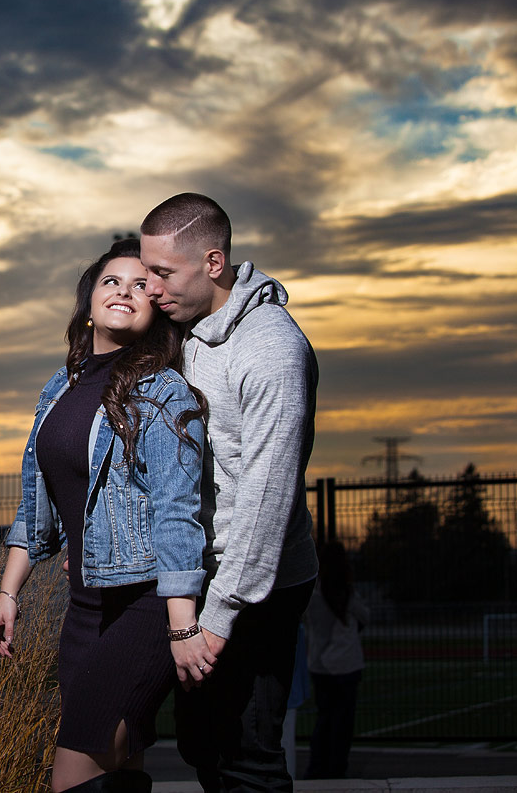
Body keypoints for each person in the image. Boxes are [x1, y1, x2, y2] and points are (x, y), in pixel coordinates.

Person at [0, 239, 214, 793]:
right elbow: (37, 500)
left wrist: (181, 624)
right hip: (84, 607)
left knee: (77, 765)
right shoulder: (59, 388)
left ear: (154, 312)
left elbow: (176, 513)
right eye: (113, 280)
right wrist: (9, 591)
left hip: (144, 603)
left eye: (142, 286)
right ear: (89, 301)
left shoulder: (165, 394)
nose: (126, 292)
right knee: (120, 761)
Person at [139, 193, 319, 793]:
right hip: (204, 572)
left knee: (248, 765)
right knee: (200, 745)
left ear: (213, 263)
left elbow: (269, 501)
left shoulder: (270, 350)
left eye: (163, 273)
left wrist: (216, 621)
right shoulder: (184, 331)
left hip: (256, 587)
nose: (152, 288)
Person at [304, 540, 369, 779]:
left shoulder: (314, 592)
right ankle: (337, 767)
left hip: (320, 664)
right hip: (347, 664)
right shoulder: (348, 593)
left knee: (324, 719)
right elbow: (365, 616)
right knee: (343, 723)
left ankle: (317, 767)